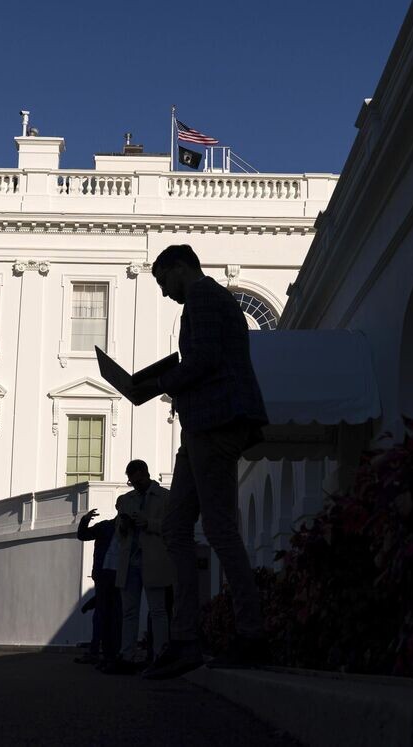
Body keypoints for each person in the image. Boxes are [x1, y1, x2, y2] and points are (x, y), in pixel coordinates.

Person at [137, 244, 270, 680]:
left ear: (180, 268)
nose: (163, 293)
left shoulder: (204, 296)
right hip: (200, 424)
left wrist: (160, 382)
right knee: (176, 527)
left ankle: (251, 634)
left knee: (219, 529)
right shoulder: (205, 299)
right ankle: (186, 640)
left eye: (162, 281)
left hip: (216, 422)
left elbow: (207, 359)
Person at [104, 459, 173, 674]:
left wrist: (148, 523)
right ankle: (127, 655)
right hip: (130, 563)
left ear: (144, 474)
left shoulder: (164, 497)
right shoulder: (127, 500)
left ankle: (160, 655)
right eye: (131, 482)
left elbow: (172, 527)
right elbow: (119, 531)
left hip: (153, 561)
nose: (133, 485)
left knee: (158, 611)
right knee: (129, 612)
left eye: (135, 480)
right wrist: (124, 525)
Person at [75, 508, 119, 665]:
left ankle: (109, 652)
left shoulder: (132, 528)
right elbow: (83, 535)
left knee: (112, 614)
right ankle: (99, 652)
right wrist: (85, 519)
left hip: (119, 576)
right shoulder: (105, 527)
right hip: (105, 575)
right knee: (104, 614)